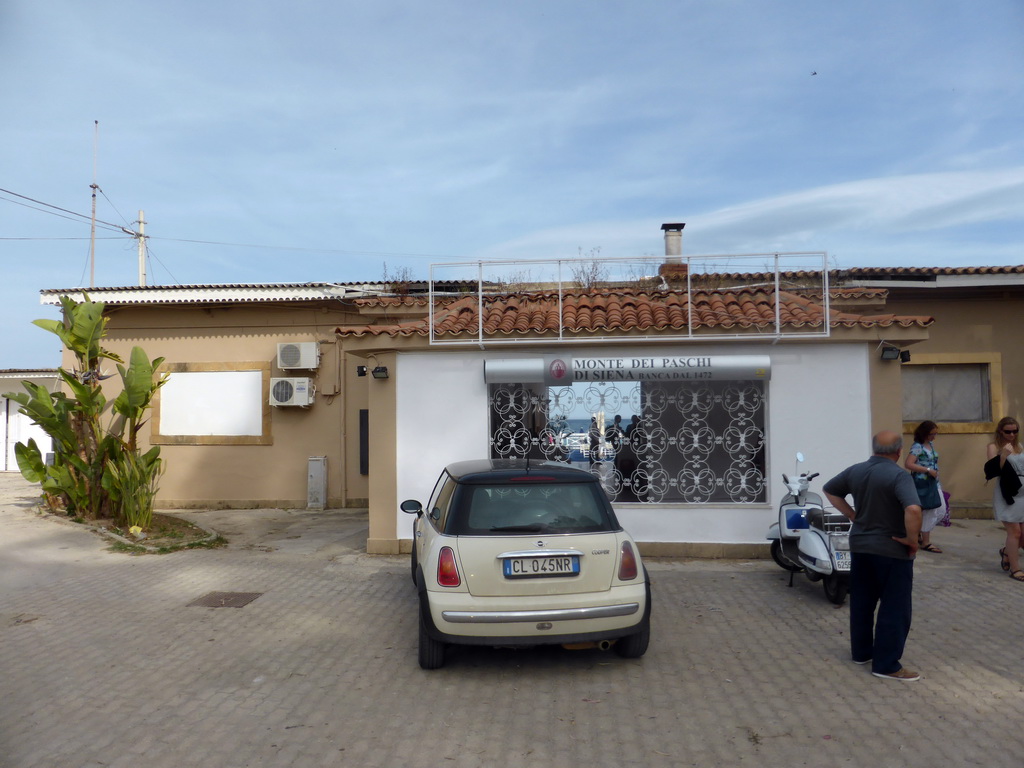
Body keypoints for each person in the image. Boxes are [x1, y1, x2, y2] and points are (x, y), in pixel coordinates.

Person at [823, 431, 923, 681]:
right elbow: (912, 508)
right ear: (899, 451)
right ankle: (887, 665)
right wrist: (912, 541)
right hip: (891, 550)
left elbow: (830, 490)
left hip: (860, 546)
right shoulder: (899, 475)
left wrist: (852, 515)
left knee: (862, 602)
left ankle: (861, 653)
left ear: (874, 448)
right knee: (894, 607)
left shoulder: (855, 470)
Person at [985, 417, 1024, 581]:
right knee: (1014, 532)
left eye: (1015, 431)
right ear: (1000, 431)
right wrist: (1003, 456)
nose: (1012, 434)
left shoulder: (1020, 446)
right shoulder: (993, 446)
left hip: (1023, 492)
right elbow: (992, 470)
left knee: (1023, 535)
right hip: (1007, 492)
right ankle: (1015, 569)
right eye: (1008, 431)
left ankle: (1006, 552)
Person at [904, 420, 944, 553]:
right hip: (923, 482)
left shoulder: (930, 445)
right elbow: (909, 464)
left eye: (935, 433)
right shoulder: (918, 447)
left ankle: (921, 532)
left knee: (940, 510)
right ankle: (925, 540)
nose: (934, 436)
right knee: (930, 510)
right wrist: (927, 470)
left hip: (933, 482)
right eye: (932, 434)